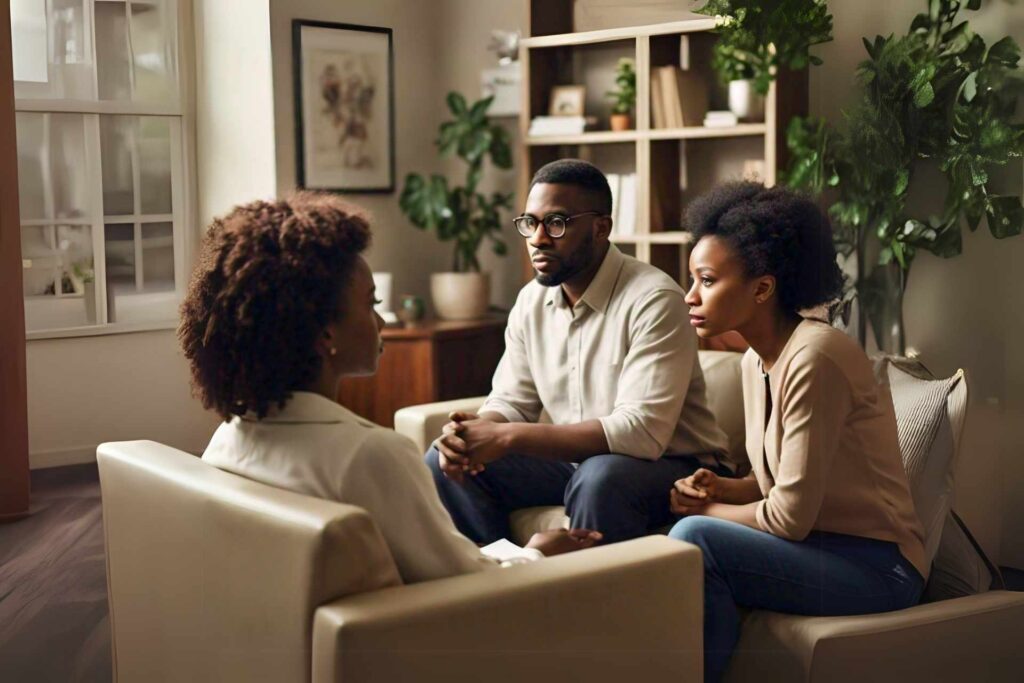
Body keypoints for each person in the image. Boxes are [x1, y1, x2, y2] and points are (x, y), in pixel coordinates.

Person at [178, 192, 600, 585]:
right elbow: (464, 586)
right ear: (327, 334)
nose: (380, 321)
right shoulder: (371, 455)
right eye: (370, 303)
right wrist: (538, 553)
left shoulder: (229, 438)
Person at [666, 182, 927, 682]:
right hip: (817, 549)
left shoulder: (817, 357)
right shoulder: (752, 362)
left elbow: (788, 519)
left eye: (706, 280)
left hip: (881, 568)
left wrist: (709, 511)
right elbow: (777, 488)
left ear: (762, 288)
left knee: (695, 536)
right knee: (681, 538)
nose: (690, 295)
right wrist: (722, 488)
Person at [425, 159, 734, 545]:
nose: (538, 238)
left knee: (601, 478)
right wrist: (476, 433)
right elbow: (512, 401)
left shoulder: (654, 299)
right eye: (529, 223)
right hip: (578, 465)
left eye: (556, 223)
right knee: (441, 461)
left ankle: (587, 599)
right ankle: (498, 585)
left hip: (674, 466)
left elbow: (640, 434)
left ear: (601, 228)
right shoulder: (531, 302)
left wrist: (508, 438)